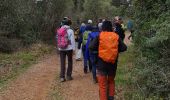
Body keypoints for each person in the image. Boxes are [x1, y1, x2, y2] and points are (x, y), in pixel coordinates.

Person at [96, 21, 127, 100]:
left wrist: (99, 50)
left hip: (101, 64)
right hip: (113, 64)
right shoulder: (116, 36)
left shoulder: (100, 35)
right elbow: (124, 48)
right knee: (111, 81)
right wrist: (116, 50)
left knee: (102, 85)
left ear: (103, 27)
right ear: (111, 27)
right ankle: (111, 98)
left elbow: (91, 47)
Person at [57, 18, 75, 82]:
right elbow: (72, 41)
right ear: (68, 24)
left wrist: (58, 48)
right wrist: (74, 49)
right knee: (70, 61)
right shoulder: (70, 31)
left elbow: (58, 39)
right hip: (69, 48)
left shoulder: (59, 30)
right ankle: (68, 76)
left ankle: (62, 77)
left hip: (61, 48)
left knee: (62, 62)